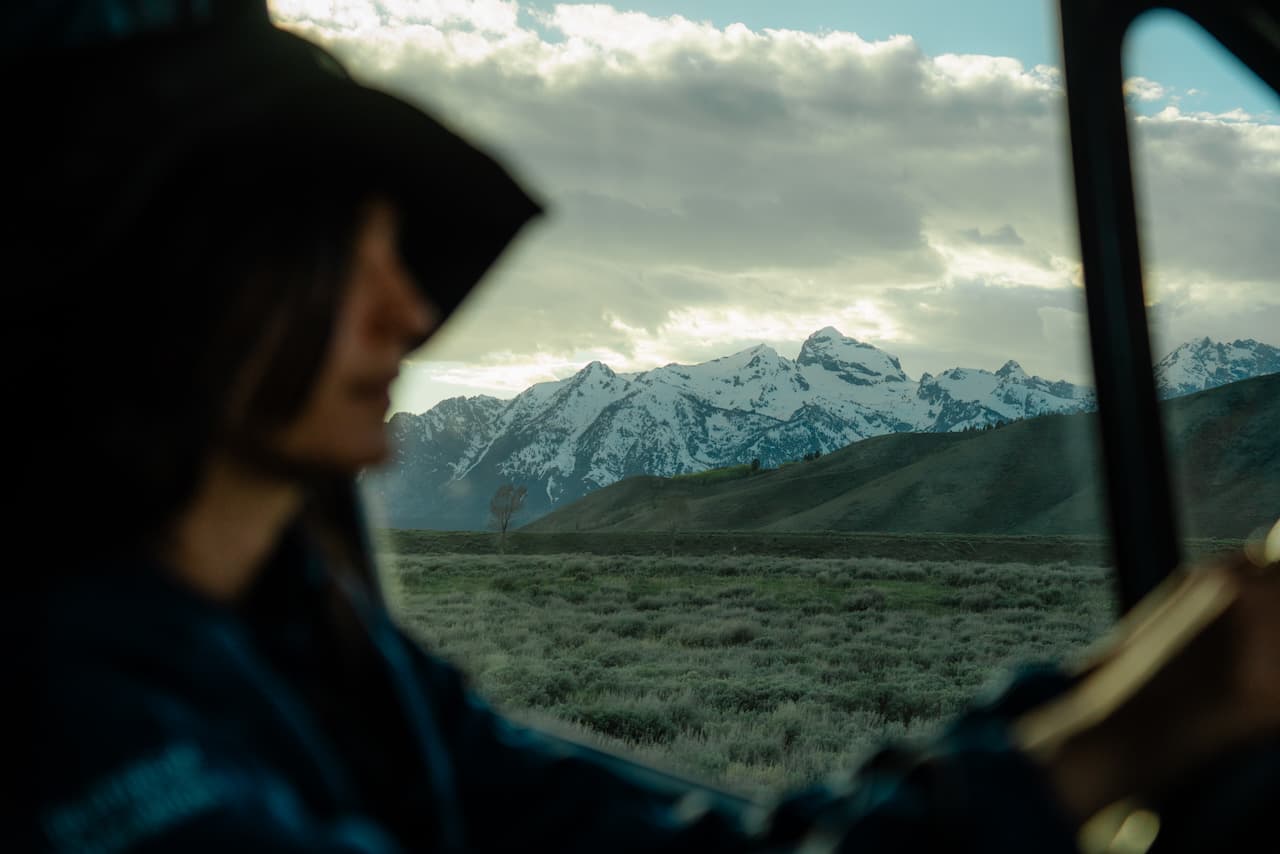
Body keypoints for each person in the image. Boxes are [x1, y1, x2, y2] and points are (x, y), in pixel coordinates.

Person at [6, 2, 1277, 852]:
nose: (409, 310)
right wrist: (1102, 745)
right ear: (177, 270)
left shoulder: (320, 642)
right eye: (352, 255)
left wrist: (1099, 696)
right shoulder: (70, 709)